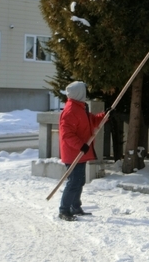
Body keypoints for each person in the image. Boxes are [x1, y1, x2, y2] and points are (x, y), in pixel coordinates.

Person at [58, 81, 107, 221]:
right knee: (74, 182)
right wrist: (81, 146)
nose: (86, 92)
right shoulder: (70, 111)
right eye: (84, 90)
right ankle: (64, 210)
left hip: (79, 152)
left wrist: (106, 115)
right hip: (73, 153)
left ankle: (75, 207)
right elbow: (66, 134)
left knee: (79, 181)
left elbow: (92, 121)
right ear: (79, 93)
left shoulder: (80, 108)